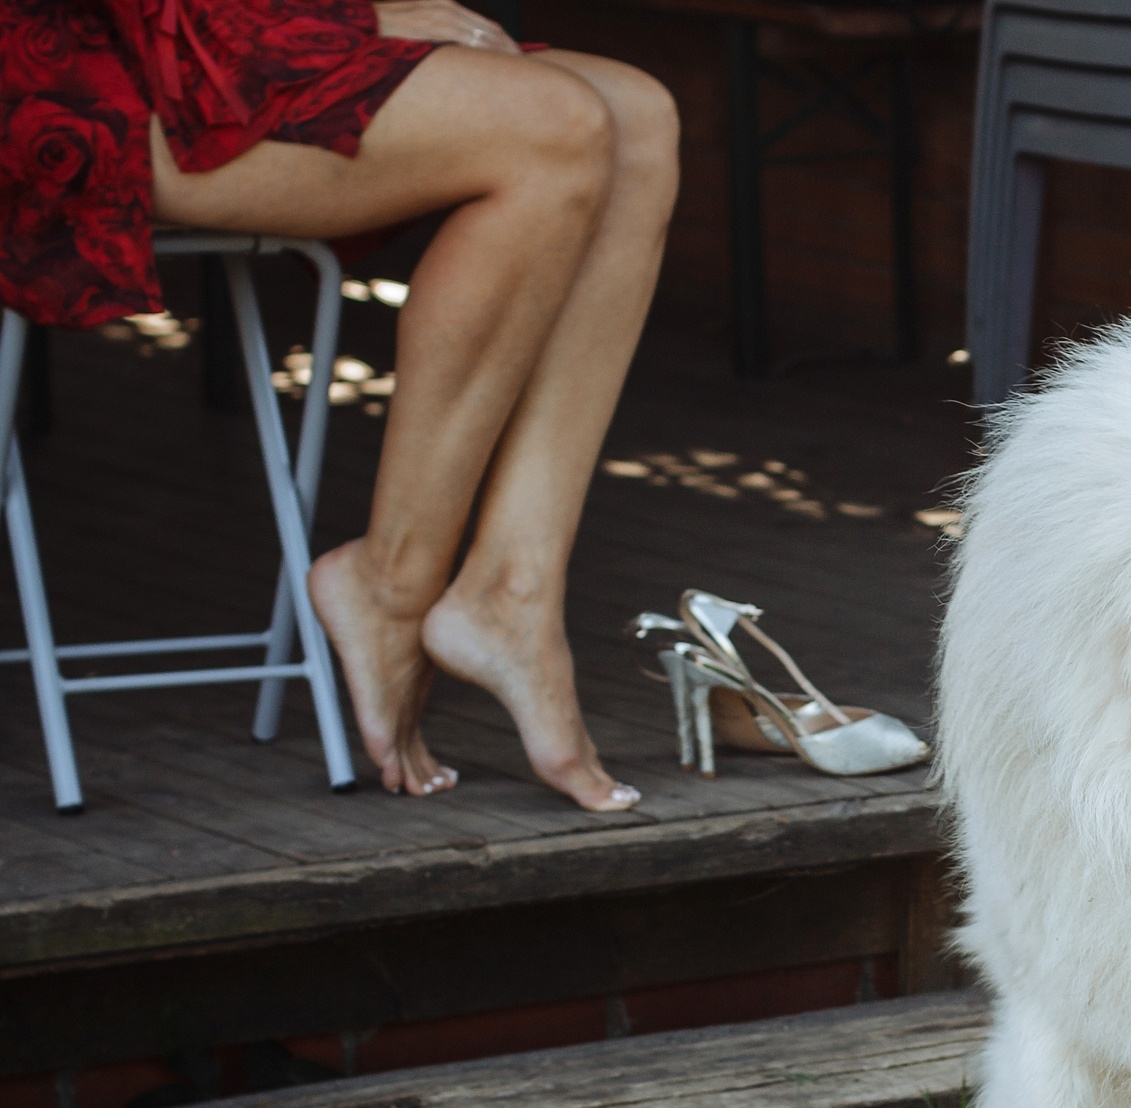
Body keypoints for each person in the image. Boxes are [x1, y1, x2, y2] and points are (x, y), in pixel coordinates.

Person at [1, 0, 676, 810]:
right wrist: (356, 18)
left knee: (636, 116)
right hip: (83, 63)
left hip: (232, 34)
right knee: (555, 124)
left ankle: (515, 591)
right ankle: (392, 582)